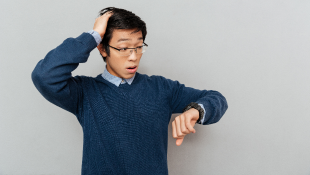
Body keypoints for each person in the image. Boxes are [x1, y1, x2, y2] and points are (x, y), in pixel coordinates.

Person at [31, 7, 228, 175]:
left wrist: (196, 110)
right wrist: (92, 36)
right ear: (102, 49)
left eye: (139, 47)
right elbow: (44, 75)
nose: (133, 56)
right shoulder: (84, 93)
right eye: (124, 48)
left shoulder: (161, 88)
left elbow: (216, 98)